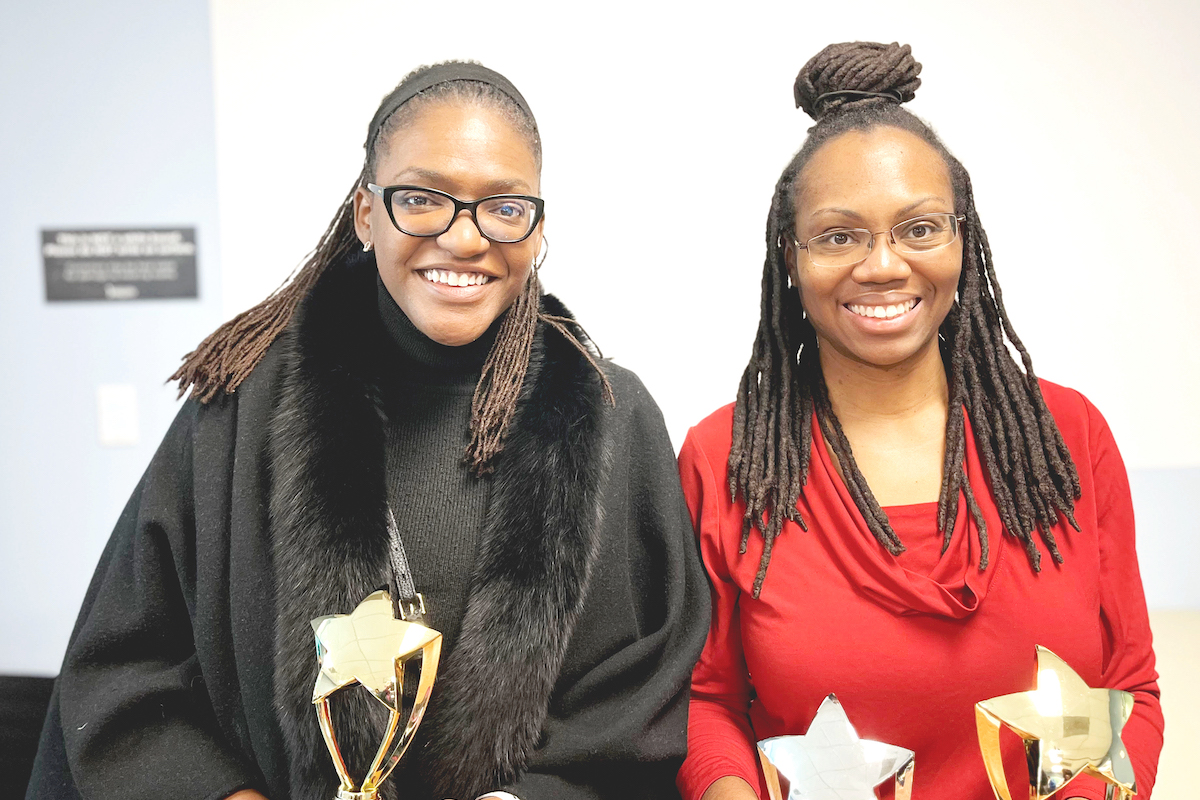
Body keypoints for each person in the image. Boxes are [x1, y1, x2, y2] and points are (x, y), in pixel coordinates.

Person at [28, 61, 709, 800]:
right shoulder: (242, 407)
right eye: (421, 199)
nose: (465, 238)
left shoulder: (614, 418)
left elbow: (645, 693)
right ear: (365, 213)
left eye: (504, 208)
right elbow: (127, 672)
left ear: (536, 228)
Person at [675, 42, 1163, 800]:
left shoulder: (1068, 437)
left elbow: (1130, 686)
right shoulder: (726, 459)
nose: (883, 266)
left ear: (963, 241)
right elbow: (705, 705)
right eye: (839, 236)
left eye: (920, 228)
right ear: (790, 255)